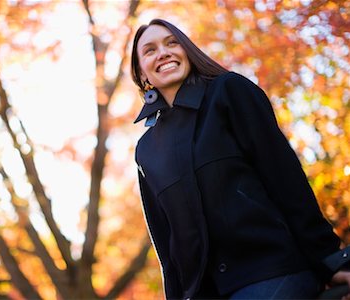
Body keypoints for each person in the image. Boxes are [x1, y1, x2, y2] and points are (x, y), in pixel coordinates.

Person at [131, 18, 350, 299]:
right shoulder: (146, 149)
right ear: (142, 73)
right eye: (150, 50)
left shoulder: (229, 91)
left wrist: (329, 260)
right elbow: (166, 243)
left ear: (188, 51)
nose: (163, 52)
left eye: (172, 43)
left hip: (271, 269)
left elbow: (285, 179)